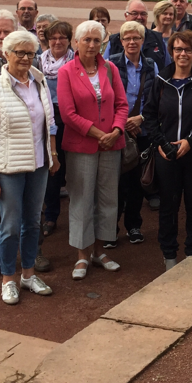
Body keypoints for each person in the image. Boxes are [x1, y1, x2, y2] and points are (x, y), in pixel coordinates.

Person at [0, 30, 60, 305]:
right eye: (20, 53)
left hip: (38, 165)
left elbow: (50, 123)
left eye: (30, 53)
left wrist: (53, 153)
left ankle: (28, 275)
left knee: (32, 222)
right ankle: (8, 279)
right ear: (6, 54)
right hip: (9, 168)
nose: (25, 58)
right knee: (10, 225)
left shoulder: (40, 82)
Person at [57, 20, 128, 279]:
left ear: (103, 43)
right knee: (82, 199)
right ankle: (82, 255)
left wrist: (117, 131)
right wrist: (99, 134)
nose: (91, 44)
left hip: (112, 144)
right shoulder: (66, 71)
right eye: (86, 40)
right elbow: (67, 113)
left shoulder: (110, 69)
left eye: (96, 40)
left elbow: (122, 104)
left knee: (108, 198)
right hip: (82, 145)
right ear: (76, 42)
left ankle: (101, 251)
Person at [143, 31, 192, 271]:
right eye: (177, 49)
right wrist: (161, 144)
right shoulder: (161, 81)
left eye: (187, 50)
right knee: (169, 206)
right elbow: (150, 116)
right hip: (167, 155)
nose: (182, 54)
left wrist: (191, 140)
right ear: (171, 52)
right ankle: (169, 255)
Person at [110, 20, 156, 245]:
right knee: (115, 183)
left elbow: (154, 98)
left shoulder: (151, 65)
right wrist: (123, 122)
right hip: (117, 130)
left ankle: (134, 225)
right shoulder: (111, 65)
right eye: (127, 38)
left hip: (142, 130)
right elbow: (106, 99)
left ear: (142, 40)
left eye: (135, 37)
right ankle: (110, 229)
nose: (131, 42)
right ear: (121, 41)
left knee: (137, 182)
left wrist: (141, 118)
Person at [39, 20, 74, 238]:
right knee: (52, 167)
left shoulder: (76, 61)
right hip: (47, 120)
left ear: (70, 40)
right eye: (53, 37)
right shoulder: (38, 61)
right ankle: (51, 215)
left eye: (62, 37)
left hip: (71, 119)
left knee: (74, 168)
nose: (57, 41)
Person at [105, 0, 168, 70]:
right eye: (135, 13)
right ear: (126, 15)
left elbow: (168, 68)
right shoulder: (114, 41)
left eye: (143, 14)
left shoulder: (158, 39)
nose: (139, 17)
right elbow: (104, 69)